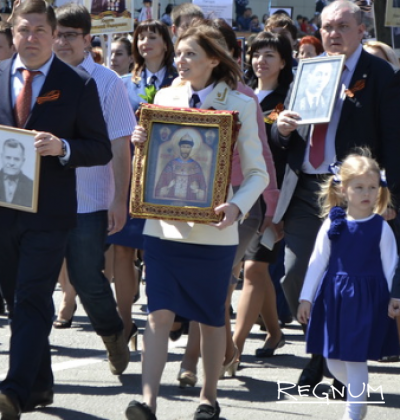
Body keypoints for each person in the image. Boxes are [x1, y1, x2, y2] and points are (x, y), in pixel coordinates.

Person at [125, 24, 269, 420]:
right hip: (163, 227)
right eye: (179, 53)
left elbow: (258, 173)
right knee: (158, 314)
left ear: (213, 59)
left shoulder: (238, 103)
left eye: (190, 54)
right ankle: (148, 401)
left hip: (214, 230)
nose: (181, 61)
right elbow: (152, 164)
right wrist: (141, 143)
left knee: (209, 316)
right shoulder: (165, 96)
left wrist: (237, 207)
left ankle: (208, 398)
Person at [271, 0, 400, 392]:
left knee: (345, 278)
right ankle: (321, 346)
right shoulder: (307, 71)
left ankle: (323, 359)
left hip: (356, 193)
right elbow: (283, 136)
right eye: (327, 27)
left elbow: (393, 141)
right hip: (309, 187)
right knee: (295, 274)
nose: (333, 34)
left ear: (362, 30)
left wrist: (388, 194)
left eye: (342, 26)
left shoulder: (380, 74)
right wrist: (283, 129)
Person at [0, 0, 112, 417]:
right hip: (3, 209)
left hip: (50, 214)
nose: (30, 39)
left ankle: (12, 391)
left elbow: (99, 147)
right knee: (16, 299)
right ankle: (41, 383)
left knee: (31, 298)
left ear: (53, 34)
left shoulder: (78, 83)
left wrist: (63, 147)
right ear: (12, 33)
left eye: (39, 31)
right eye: (23, 30)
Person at [52, 2, 135, 369]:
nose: (61, 43)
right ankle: (30, 367)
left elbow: (121, 144)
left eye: (69, 36)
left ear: (88, 39)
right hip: (43, 199)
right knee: (31, 281)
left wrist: (120, 200)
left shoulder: (107, 81)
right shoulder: (40, 77)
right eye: (55, 35)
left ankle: (113, 333)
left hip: (89, 201)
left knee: (87, 279)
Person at [298, 152, 399, 420]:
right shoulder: (333, 222)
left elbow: (392, 265)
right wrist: (306, 298)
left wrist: (393, 298)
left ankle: (353, 412)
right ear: (343, 190)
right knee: (333, 360)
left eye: (372, 187)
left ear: (380, 189)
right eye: (359, 187)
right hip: (335, 299)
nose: (367, 193)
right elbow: (317, 262)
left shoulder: (381, 227)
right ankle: (359, 395)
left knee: (355, 358)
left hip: (368, 300)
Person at [231, 31, 293, 360]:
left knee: (254, 268)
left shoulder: (290, 100)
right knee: (257, 269)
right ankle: (274, 331)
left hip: (275, 197)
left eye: (270, 54)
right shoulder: (240, 95)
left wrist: (279, 206)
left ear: (284, 61)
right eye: (256, 53)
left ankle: (234, 348)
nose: (261, 60)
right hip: (239, 195)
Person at [155, 133, 207, 202]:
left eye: (188, 147)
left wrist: (197, 190)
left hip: (190, 204)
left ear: (191, 148)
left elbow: (203, 188)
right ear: (179, 147)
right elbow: (160, 185)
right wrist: (168, 187)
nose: (185, 150)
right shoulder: (171, 164)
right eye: (183, 147)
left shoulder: (196, 166)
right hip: (170, 203)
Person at [0, 139, 33, 207]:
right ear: (2, 157)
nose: (12, 163)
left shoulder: (31, 185)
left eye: (16, 159)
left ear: (23, 160)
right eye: (8, 157)